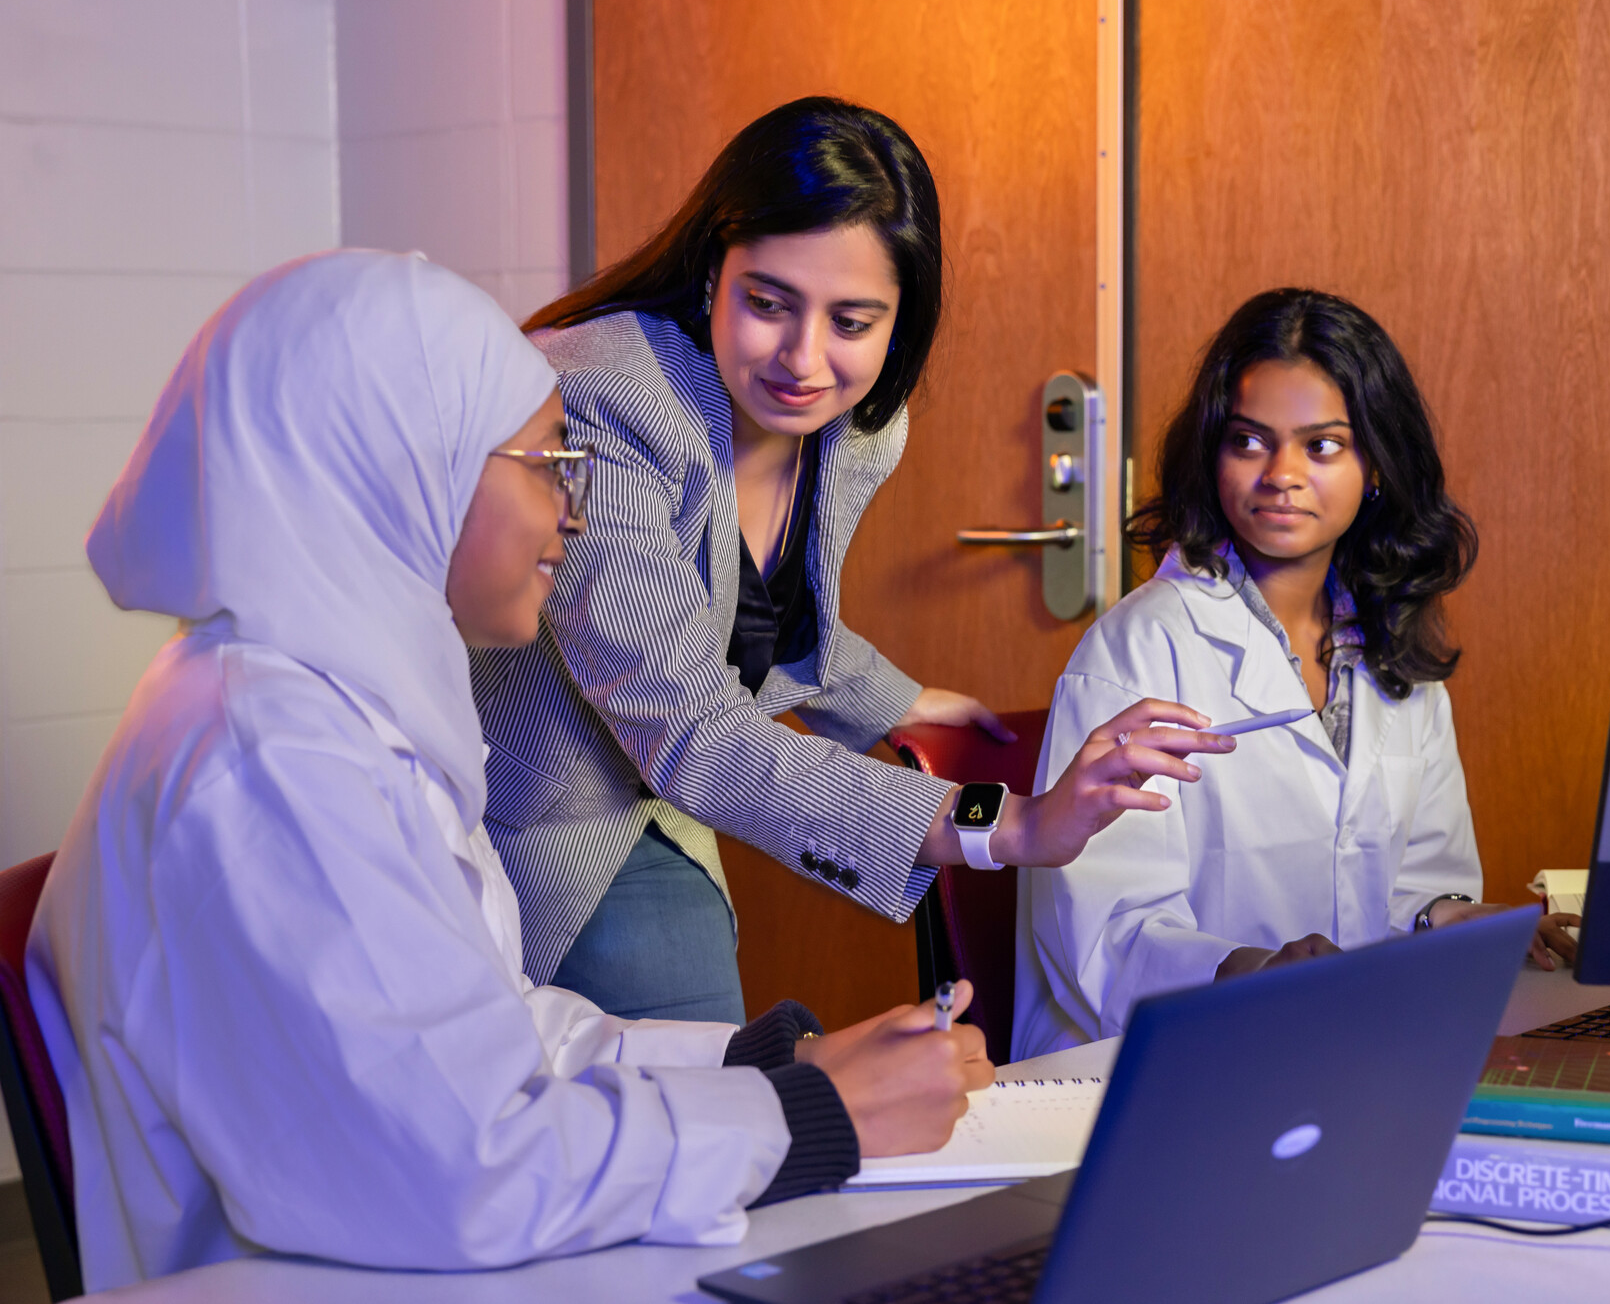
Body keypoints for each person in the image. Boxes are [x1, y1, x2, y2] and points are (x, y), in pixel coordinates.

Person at [27, 251, 1000, 1292]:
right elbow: (468, 1168)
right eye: (547, 464)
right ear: (408, 465)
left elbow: (486, 1038)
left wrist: (762, 1068)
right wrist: (811, 1118)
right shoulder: (270, 762)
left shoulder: (321, 712)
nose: (572, 512)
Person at [480, 96, 1225, 1021]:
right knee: (694, 1117)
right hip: (534, 819)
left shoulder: (860, 430)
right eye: (768, 303)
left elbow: (746, 610)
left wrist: (889, 699)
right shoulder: (603, 403)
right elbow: (692, 728)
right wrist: (1009, 824)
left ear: (899, 319)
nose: (804, 357)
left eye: (853, 319)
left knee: (714, 1106)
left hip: (659, 795)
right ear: (716, 267)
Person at [1013, 289, 1580, 1059]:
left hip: (1341, 1046)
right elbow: (1107, 929)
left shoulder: (1394, 652)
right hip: (1156, 1067)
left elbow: (1413, 879)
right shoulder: (1137, 651)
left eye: (1322, 446)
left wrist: (1452, 918)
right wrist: (1249, 971)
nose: (1282, 474)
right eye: (1250, 441)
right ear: (1212, 452)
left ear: (1375, 464)